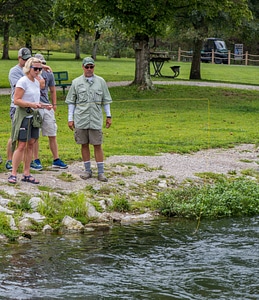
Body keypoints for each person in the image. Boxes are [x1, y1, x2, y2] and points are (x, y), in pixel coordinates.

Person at [65, 57, 112, 182]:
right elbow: (71, 102)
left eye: (91, 67)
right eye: (87, 67)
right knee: (84, 144)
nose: (89, 69)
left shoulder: (101, 82)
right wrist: (70, 118)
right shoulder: (76, 82)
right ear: (83, 67)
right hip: (81, 118)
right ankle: (87, 170)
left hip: (96, 119)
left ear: (94, 67)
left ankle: (101, 172)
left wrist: (109, 116)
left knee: (97, 144)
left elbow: (106, 100)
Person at [7, 57, 51, 184]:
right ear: (29, 68)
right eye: (35, 69)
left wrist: (44, 105)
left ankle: (26, 173)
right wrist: (31, 105)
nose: (38, 71)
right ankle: (13, 173)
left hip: (34, 116)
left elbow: (35, 101)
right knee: (21, 145)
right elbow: (17, 100)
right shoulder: (23, 81)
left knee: (31, 143)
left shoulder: (36, 82)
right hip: (23, 116)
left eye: (40, 69)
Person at [31, 53, 67, 170]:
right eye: (38, 65)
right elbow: (39, 85)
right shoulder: (30, 75)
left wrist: (54, 103)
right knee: (35, 134)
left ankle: (56, 159)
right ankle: (35, 159)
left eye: (43, 64)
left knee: (52, 133)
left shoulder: (48, 74)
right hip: (35, 106)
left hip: (46, 106)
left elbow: (52, 90)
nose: (40, 68)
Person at [6, 47, 32, 171]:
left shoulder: (31, 70)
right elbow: (20, 88)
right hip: (16, 107)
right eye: (24, 59)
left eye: (28, 59)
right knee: (15, 135)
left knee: (26, 137)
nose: (26, 62)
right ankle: (9, 160)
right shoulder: (14, 71)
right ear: (19, 58)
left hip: (29, 107)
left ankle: (23, 161)